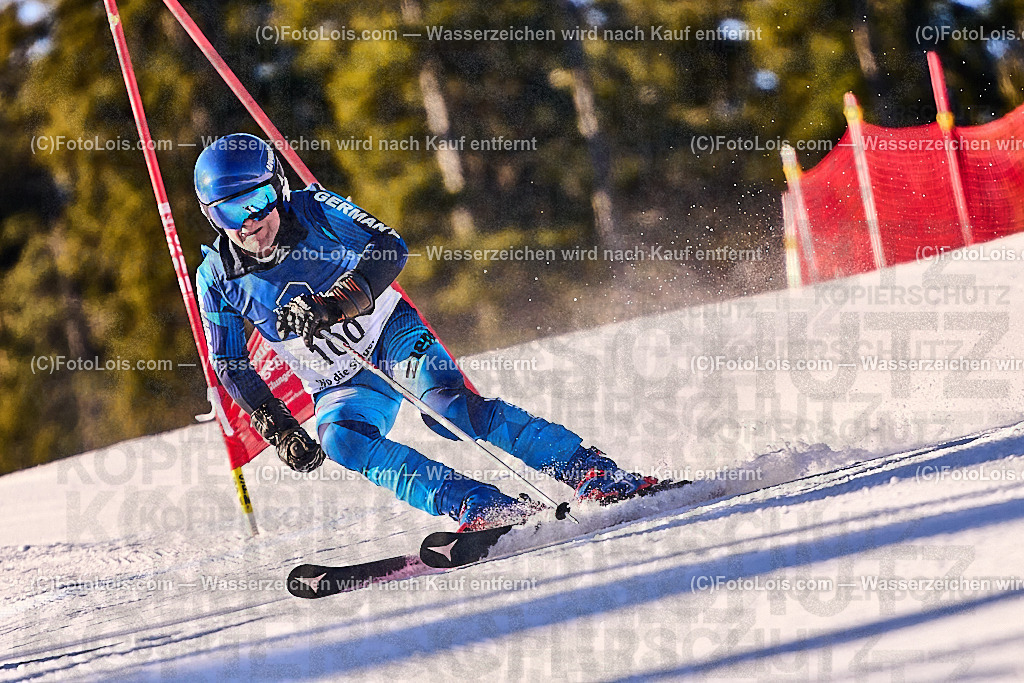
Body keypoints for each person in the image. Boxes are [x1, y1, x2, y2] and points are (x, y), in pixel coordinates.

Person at [194, 133, 661, 532]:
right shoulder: (217, 276)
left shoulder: (315, 209)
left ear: (279, 186)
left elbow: (389, 246)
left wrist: (334, 304)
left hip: (391, 336)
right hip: (338, 381)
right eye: (229, 215)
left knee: (450, 409)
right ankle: (480, 506)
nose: (251, 224)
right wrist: (277, 427)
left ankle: (593, 472)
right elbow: (230, 363)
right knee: (343, 441)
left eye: (258, 202)